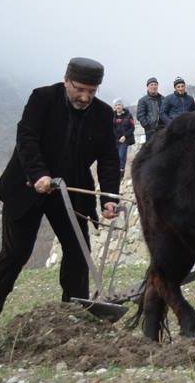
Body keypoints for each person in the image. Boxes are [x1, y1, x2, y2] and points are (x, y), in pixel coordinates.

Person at [0, 58, 120, 313]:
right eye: (79, 89)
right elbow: (27, 138)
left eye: (92, 91)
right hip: (27, 186)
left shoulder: (103, 114)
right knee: (15, 254)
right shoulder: (42, 98)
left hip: (69, 190)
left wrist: (109, 198)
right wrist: (39, 176)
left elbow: (109, 158)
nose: (85, 97)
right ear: (66, 80)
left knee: (79, 253)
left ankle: (75, 316)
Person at [112, 99, 135, 180]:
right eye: (116, 105)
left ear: (122, 106)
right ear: (114, 107)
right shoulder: (111, 116)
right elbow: (111, 128)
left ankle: (121, 174)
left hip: (125, 139)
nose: (118, 106)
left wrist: (125, 136)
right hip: (115, 140)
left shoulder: (128, 115)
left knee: (121, 156)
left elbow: (132, 128)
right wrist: (116, 137)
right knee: (115, 157)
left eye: (119, 105)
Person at [136, 77, 164, 142]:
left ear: (157, 86)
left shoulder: (163, 99)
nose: (154, 86)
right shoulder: (143, 100)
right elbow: (140, 115)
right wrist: (147, 126)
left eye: (155, 84)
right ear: (147, 87)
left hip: (162, 129)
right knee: (151, 149)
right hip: (150, 130)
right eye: (151, 85)